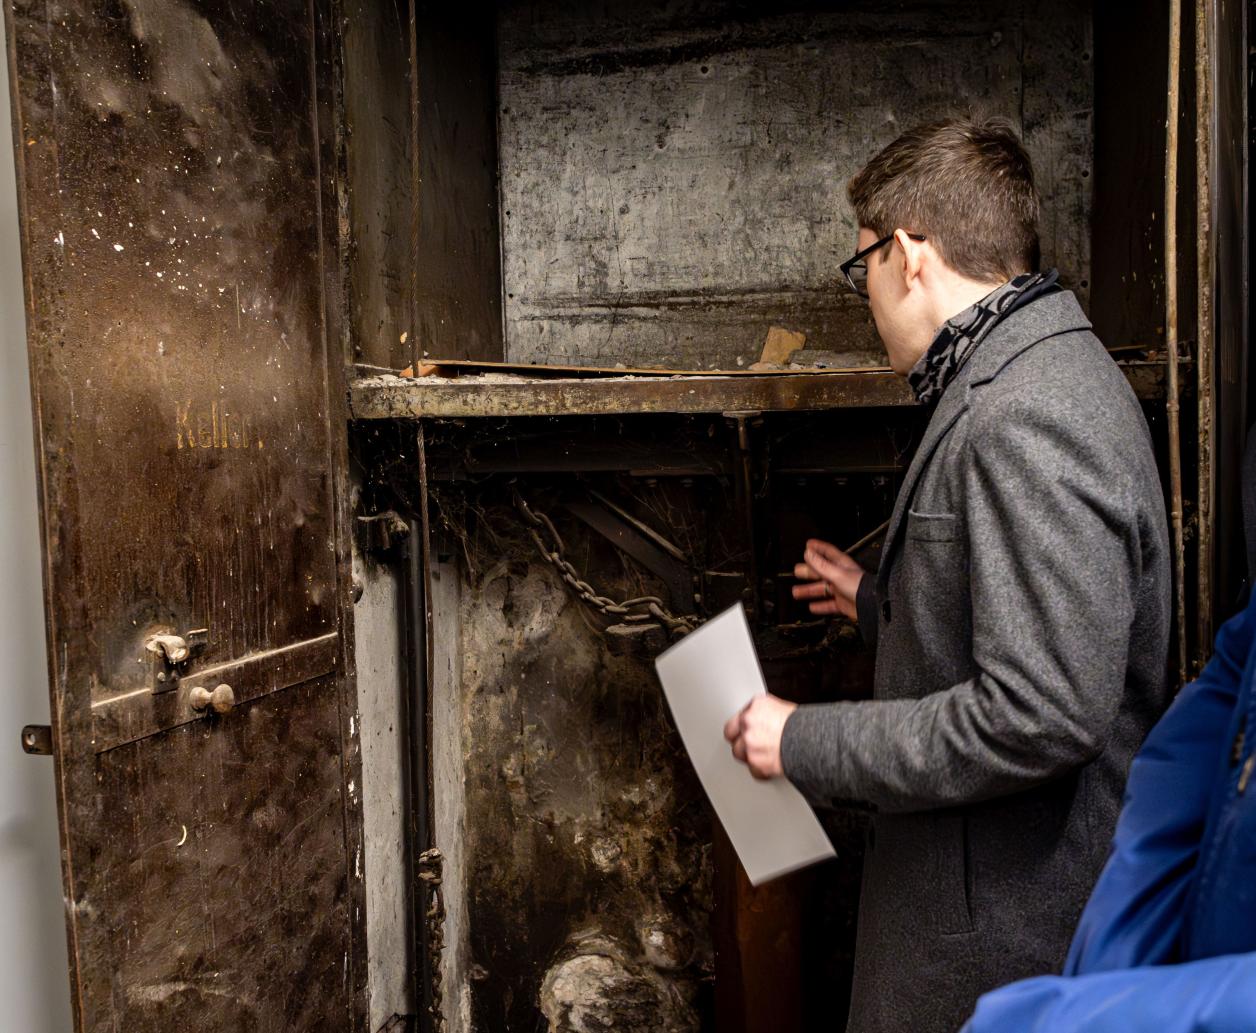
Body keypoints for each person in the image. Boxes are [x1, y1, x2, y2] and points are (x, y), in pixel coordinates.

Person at [722, 117, 1171, 1033]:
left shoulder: (1026, 412)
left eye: (863, 270)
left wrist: (801, 741)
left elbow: (1042, 712)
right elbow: (1029, 613)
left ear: (910, 253)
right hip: (991, 920)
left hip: (1002, 945)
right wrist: (883, 603)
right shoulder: (1028, 370)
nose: (868, 298)